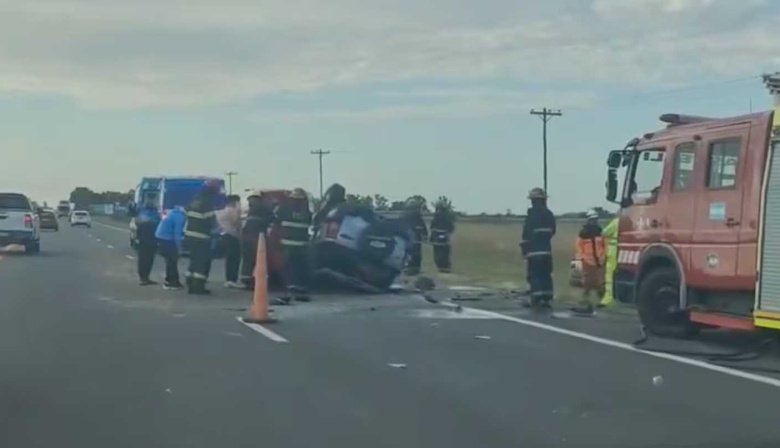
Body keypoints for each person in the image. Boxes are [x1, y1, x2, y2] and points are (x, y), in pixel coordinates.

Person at [520, 188, 556, 308]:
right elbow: (552, 231)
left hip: (533, 251)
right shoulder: (549, 214)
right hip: (546, 250)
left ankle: (536, 298)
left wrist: (524, 249)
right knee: (546, 274)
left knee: (535, 275)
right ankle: (546, 298)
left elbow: (526, 233)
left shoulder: (531, 215)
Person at [275, 188, 312, 299]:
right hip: (302, 244)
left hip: (287, 243)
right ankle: (299, 288)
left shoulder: (284, 208)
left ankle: (290, 288)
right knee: (300, 266)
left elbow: (276, 221)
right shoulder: (306, 211)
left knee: (288, 266)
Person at [184, 182, 219, 295]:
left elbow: (187, 213)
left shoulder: (195, 200)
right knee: (201, 262)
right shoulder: (207, 203)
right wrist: (216, 231)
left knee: (194, 260)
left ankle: (190, 282)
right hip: (202, 236)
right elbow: (211, 222)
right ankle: (197, 287)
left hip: (190, 234)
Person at [572, 210, 607, 315]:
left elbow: (605, 244)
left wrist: (604, 255)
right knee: (587, 282)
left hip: (599, 261)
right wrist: (582, 257)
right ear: (588, 220)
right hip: (588, 260)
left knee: (600, 282)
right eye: (592, 220)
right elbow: (579, 246)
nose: (594, 222)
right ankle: (584, 302)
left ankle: (603, 301)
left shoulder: (600, 231)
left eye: (595, 220)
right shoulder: (583, 233)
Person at [240, 192, 275, 289]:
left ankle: (246, 279)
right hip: (257, 236)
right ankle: (255, 280)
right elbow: (272, 219)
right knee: (257, 258)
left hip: (247, 235)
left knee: (247, 258)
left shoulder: (251, 208)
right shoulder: (263, 207)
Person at [155, 204, 186, 290]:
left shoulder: (173, 213)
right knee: (172, 260)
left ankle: (169, 280)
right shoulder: (179, 217)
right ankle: (172, 283)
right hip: (166, 238)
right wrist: (179, 249)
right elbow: (177, 235)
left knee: (170, 260)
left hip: (161, 236)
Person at [218, 194, 243, 289]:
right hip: (232, 236)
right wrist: (238, 210)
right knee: (234, 258)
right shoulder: (232, 210)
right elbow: (236, 221)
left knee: (229, 259)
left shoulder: (224, 210)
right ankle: (232, 279)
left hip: (225, 235)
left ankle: (229, 279)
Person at [135, 199, 161, 285]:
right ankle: (145, 278)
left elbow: (137, 227)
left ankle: (143, 278)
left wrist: (137, 238)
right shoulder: (156, 215)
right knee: (149, 260)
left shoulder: (141, 214)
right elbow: (158, 228)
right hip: (152, 240)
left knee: (142, 259)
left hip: (142, 240)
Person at [400, 198, 428, 275]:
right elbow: (422, 226)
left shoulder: (404, 215)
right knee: (416, 253)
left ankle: (406, 267)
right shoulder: (417, 215)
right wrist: (425, 235)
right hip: (416, 236)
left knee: (406, 252)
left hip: (406, 236)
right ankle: (415, 268)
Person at [600, 216, 619, 307]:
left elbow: (604, 232)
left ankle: (608, 298)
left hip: (613, 250)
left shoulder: (616, 221)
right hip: (625, 251)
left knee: (609, 276)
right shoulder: (630, 221)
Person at [430, 202, 455, 273]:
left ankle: (440, 266)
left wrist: (431, 237)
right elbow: (451, 228)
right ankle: (445, 266)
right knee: (445, 251)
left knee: (437, 251)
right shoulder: (447, 217)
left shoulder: (435, 217)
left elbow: (432, 227)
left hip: (436, 237)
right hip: (444, 237)